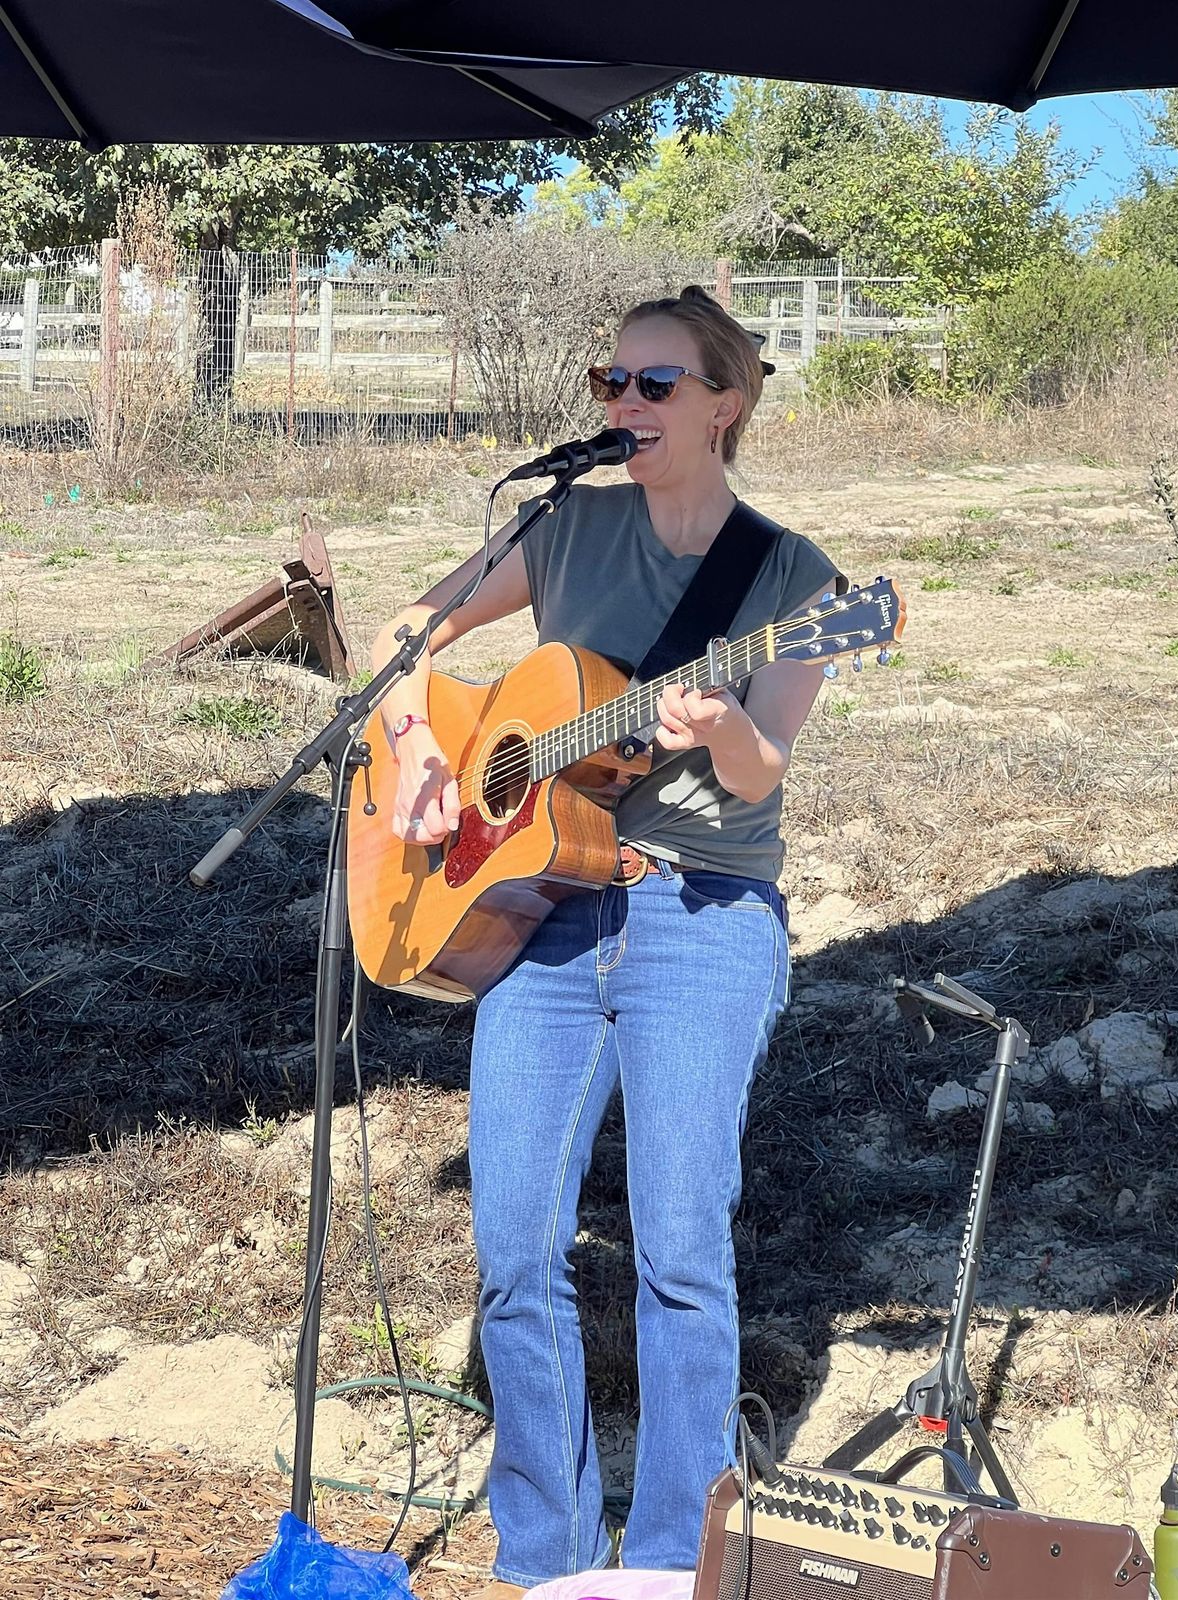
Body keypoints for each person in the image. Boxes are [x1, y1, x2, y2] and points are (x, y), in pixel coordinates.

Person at [371, 286, 842, 1596]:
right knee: (514, 1251)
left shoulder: (794, 580)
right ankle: (549, 1558)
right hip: (544, 912)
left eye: (655, 385)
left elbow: (762, 767)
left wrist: (722, 727)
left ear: (724, 404)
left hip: (704, 916)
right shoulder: (565, 526)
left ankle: (677, 1562)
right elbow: (411, 629)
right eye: (610, 383)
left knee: (680, 1252)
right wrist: (416, 746)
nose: (625, 405)